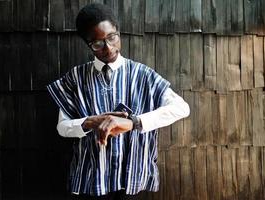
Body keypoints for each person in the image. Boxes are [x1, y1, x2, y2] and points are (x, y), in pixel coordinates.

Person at [47, 3, 190, 200]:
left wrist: (134, 122)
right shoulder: (76, 78)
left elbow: (181, 108)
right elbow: (62, 127)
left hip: (132, 177)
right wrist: (89, 122)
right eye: (97, 44)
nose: (108, 48)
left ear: (118, 32)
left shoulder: (143, 75)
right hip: (91, 179)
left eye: (112, 37)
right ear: (87, 43)